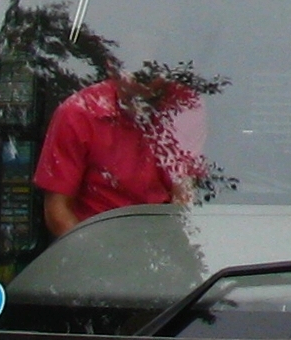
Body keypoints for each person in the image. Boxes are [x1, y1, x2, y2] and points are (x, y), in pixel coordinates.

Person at [35, 68, 206, 237]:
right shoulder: (77, 114)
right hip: (96, 241)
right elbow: (58, 213)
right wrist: (93, 255)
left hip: (162, 240)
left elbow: (185, 197)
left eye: (152, 76)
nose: (141, 105)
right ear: (112, 68)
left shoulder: (184, 106)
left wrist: (175, 245)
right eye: (137, 77)